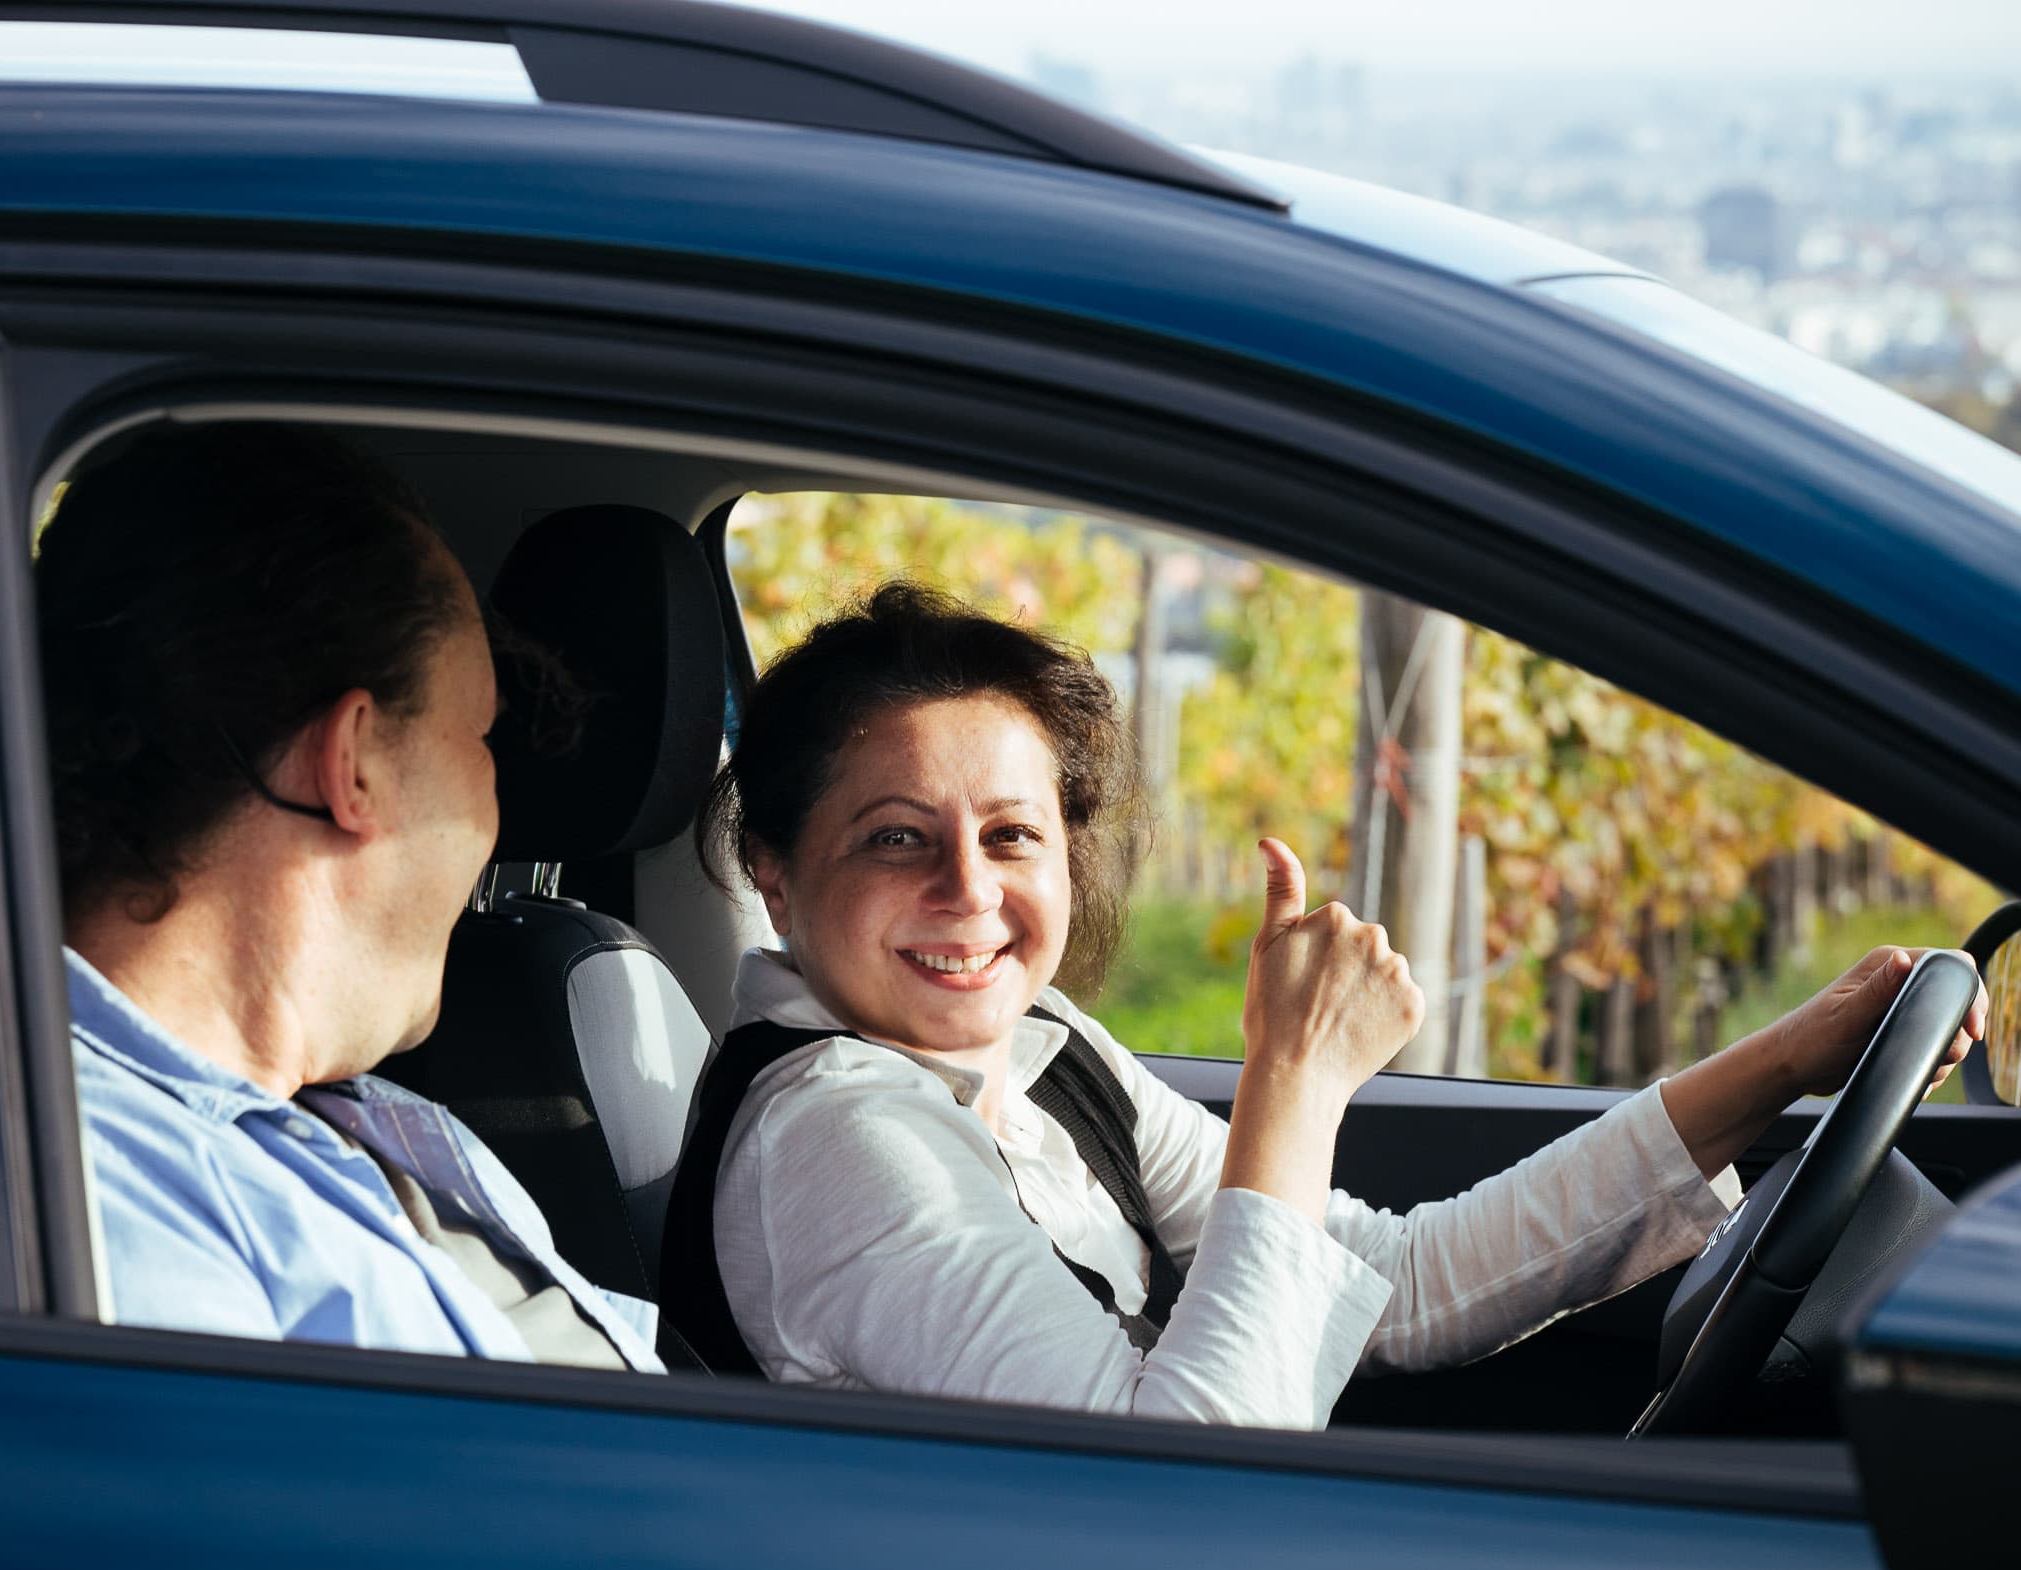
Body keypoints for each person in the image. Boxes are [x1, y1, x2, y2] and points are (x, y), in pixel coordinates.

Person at [679, 582, 1980, 1428]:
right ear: (779, 879)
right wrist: (1290, 1084)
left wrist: (1798, 1054)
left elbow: (1395, 1286)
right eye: (898, 840)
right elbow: (1175, 1510)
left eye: (1013, 836)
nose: (970, 889)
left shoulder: (1039, 1050)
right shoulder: (839, 1137)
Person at [35, 421, 661, 1372]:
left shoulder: (365, 1120)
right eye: (481, 737)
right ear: (356, 763)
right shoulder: (97, 1206)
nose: (502, 808)